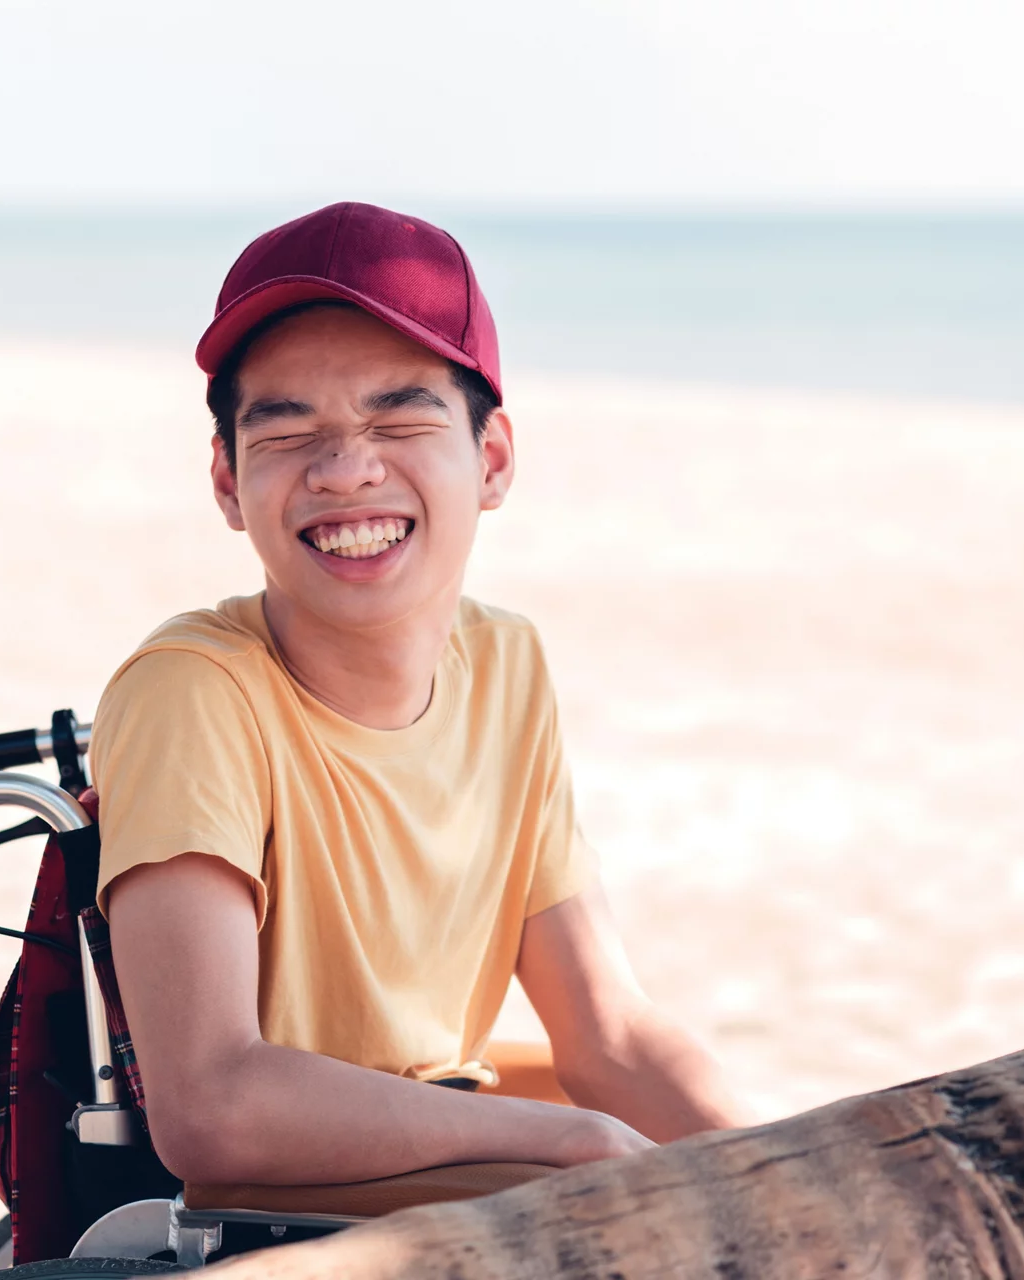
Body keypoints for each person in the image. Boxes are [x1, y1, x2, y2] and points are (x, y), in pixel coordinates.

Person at [92, 202, 750, 1187]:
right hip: (291, 1208)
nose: (345, 468)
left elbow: (607, 1033)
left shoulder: (504, 663)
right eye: (287, 429)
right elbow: (213, 1105)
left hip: (436, 1138)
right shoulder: (195, 690)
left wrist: (801, 1162)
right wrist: (568, 1137)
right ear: (227, 480)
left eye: (398, 418)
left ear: (490, 459)